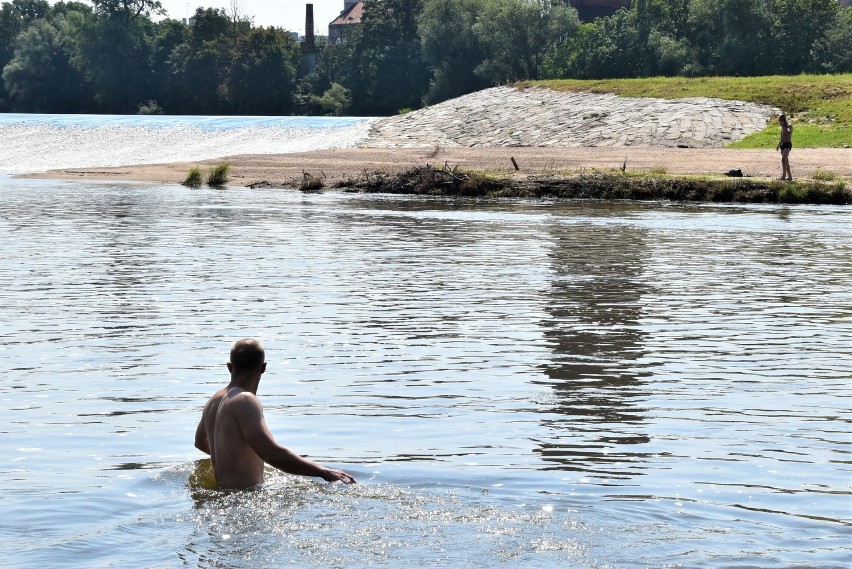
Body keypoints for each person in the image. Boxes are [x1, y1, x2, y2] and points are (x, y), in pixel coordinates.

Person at [195, 339, 356, 489]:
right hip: (245, 500)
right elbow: (271, 453)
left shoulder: (213, 401)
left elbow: (200, 442)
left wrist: (226, 457)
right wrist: (323, 471)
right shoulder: (245, 400)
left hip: (221, 497)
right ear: (263, 368)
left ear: (229, 367)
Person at [776, 114, 794, 181]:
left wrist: (785, 127)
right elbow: (782, 137)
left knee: (783, 159)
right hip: (782, 145)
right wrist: (778, 145)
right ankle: (790, 177)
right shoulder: (782, 128)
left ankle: (783, 176)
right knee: (786, 162)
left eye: (781, 121)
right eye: (780, 121)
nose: (780, 123)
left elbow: (789, 133)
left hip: (787, 144)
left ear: (784, 120)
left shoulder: (788, 126)